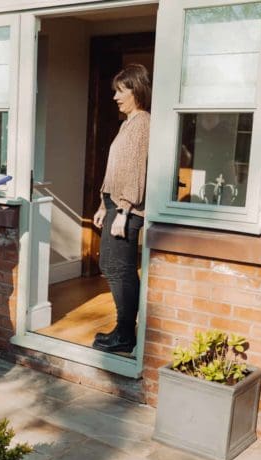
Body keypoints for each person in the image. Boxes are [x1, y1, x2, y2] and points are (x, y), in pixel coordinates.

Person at [92, 64, 151, 355]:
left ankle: (126, 333)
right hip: (116, 204)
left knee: (119, 268)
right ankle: (123, 330)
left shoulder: (142, 123)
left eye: (121, 91)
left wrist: (125, 209)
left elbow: (136, 171)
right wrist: (105, 203)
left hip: (128, 207)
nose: (115, 97)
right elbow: (116, 168)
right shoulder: (126, 124)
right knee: (114, 267)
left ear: (136, 90)